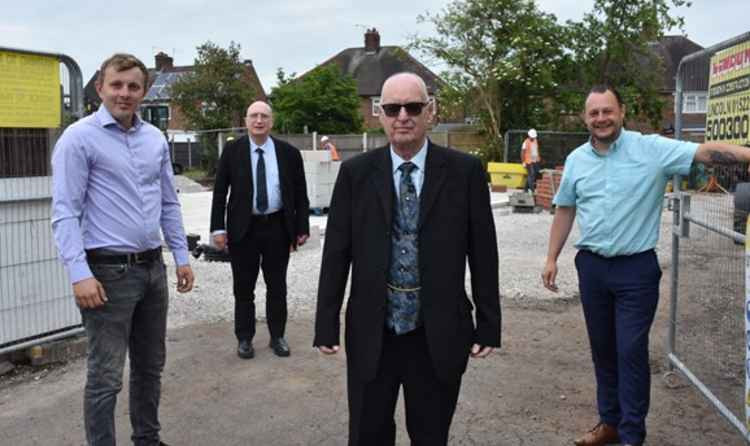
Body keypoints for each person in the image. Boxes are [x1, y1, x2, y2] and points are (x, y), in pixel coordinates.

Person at [542, 84, 750, 446]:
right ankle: (609, 423)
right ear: (585, 118)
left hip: (635, 271)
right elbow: (565, 208)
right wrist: (551, 258)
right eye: (594, 113)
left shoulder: (652, 149)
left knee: (630, 352)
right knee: (602, 349)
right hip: (591, 267)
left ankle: (631, 435)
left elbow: (706, 152)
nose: (601, 118)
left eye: (608, 111)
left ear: (622, 112)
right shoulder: (577, 159)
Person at [314, 72, 501, 445]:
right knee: (368, 434)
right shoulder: (355, 174)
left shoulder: (465, 172)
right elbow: (336, 253)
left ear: (429, 112)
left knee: (431, 435)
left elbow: (483, 252)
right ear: (380, 115)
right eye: (392, 108)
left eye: (413, 107)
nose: (403, 116)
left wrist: (489, 323)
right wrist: (325, 322)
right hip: (373, 331)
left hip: (437, 331)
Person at [51, 53, 195, 446]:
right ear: (99, 88)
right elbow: (65, 212)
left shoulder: (154, 139)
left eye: (133, 86)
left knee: (150, 367)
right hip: (106, 274)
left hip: (152, 270)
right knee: (106, 377)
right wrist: (79, 273)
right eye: (116, 85)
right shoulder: (78, 139)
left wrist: (181, 256)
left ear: (144, 92)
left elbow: (168, 201)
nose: (125, 93)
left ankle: (147, 439)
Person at [210, 101, 310, 359]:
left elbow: (300, 193)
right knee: (243, 288)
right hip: (244, 230)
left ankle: (278, 336)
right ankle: (244, 338)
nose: (259, 120)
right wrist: (217, 229)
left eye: (264, 116)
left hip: (277, 227)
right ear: (246, 121)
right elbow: (220, 192)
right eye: (254, 116)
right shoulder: (232, 151)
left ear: (271, 121)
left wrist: (302, 227)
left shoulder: (288, 153)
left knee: (277, 286)